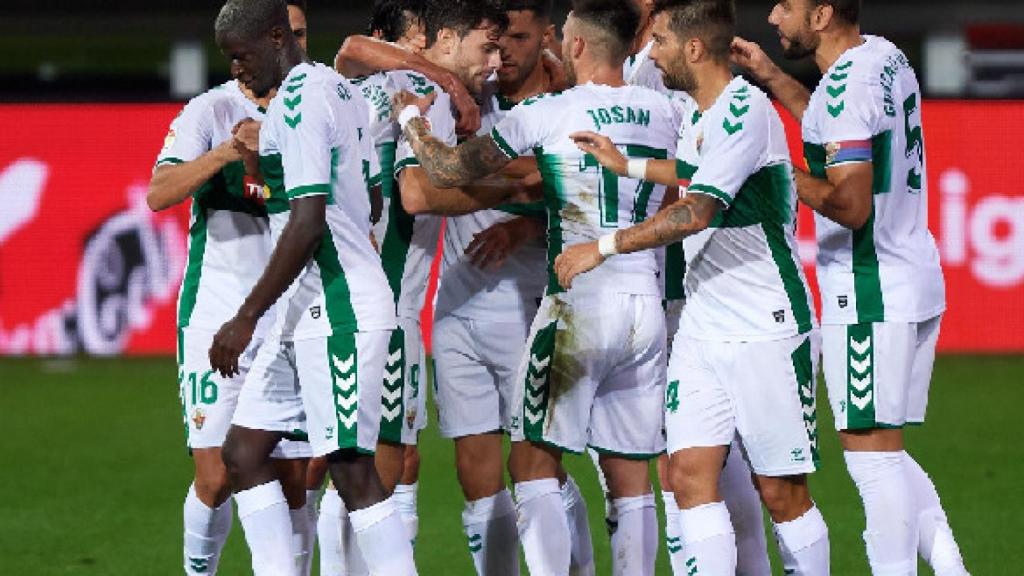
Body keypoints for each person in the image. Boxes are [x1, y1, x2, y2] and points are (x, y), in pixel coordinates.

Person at [396, 1, 681, 573]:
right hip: (645, 307)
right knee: (630, 473)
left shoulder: (551, 112)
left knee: (530, 465)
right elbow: (681, 197)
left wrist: (411, 123)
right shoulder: (664, 111)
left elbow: (449, 172)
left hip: (577, 306)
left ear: (574, 46)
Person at [561, 0, 829, 573]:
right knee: (686, 477)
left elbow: (698, 210)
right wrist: (627, 166)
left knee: (782, 492)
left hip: (767, 325)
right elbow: (692, 170)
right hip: (705, 326)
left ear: (692, 49)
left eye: (658, 42)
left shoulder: (743, 110)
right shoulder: (700, 115)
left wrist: (601, 248)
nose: (650, 53)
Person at [730, 1, 969, 574]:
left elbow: (851, 206)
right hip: (912, 271)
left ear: (821, 16)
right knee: (884, 450)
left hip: (869, 287)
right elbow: (832, 126)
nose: (772, 16)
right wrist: (770, 76)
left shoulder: (847, 91)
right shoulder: (883, 57)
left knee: (872, 461)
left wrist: (777, 172)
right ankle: (952, 567)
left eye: (786, 7)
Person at [207, 1, 417, 574]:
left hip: (341, 306)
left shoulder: (298, 101)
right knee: (243, 452)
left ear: (277, 39)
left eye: (242, 56)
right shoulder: (337, 91)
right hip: (307, 308)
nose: (237, 70)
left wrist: (246, 314)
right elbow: (369, 199)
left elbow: (307, 221)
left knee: (351, 469)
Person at [147, 2, 314, 573]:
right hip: (216, 315)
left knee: (297, 476)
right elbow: (160, 191)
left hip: (292, 319)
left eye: (299, 34)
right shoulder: (212, 110)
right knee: (217, 475)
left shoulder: (316, 105)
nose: (289, 45)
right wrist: (226, 151)